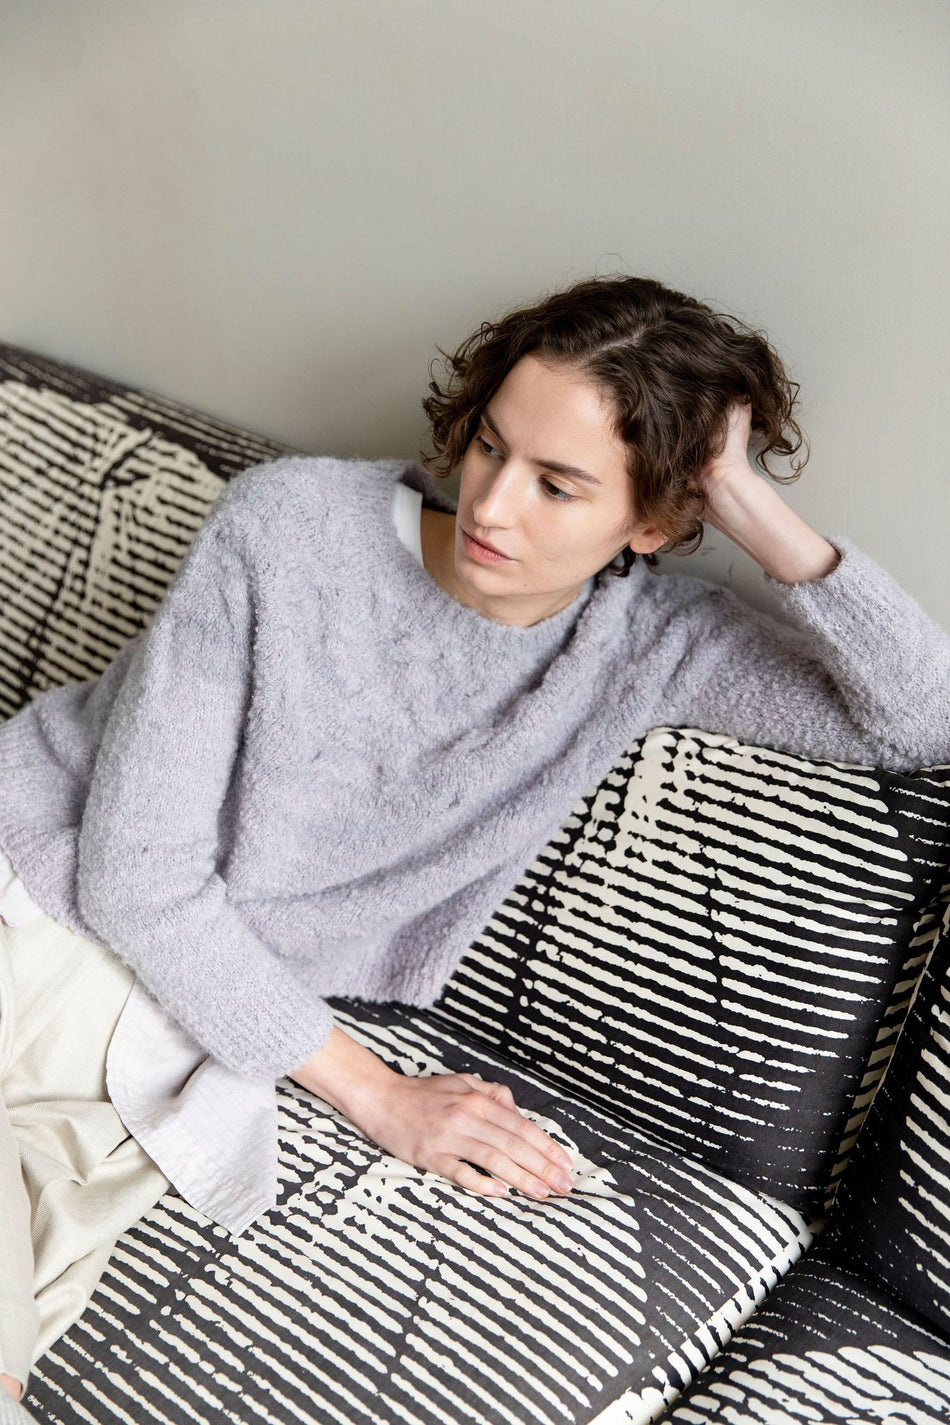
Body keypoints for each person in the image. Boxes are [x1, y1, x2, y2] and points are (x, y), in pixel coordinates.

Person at [1, 273, 948, 1405]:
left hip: (170, 1007)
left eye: (558, 484)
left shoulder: (653, 647)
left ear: (650, 522)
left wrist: (743, 497)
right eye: (492, 447)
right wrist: (379, 1094)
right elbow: (134, 877)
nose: (492, 507)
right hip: (40, 893)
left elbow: (920, 720)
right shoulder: (288, 528)